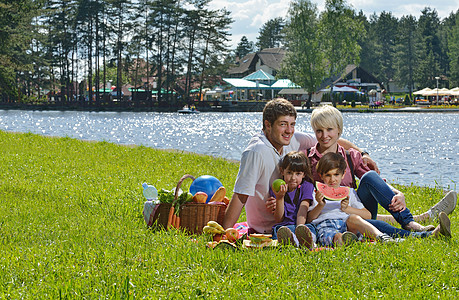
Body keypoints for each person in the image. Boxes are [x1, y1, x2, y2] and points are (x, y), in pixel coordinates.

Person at [222, 98, 379, 234]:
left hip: (298, 218)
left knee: (362, 223)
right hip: (268, 226)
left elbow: (330, 139)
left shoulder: (293, 139)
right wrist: (224, 232)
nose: (289, 131)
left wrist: (363, 153)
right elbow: (240, 195)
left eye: (292, 124)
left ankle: (391, 225)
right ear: (268, 125)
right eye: (283, 124)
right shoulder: (256, 151)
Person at [305, 105, 457, 232]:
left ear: (339, 130)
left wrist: (399, 193)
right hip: (324, 212)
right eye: (319, 130)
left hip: (356, 209)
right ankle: (423, 222)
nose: (324, 135)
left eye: (329, 129)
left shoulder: (351, 156)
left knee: (369, 176)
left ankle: (409, 222)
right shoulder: (307, 159)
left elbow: (375, 182)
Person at [308, 152, 451, 247]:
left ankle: (427, 235)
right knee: (338, 236)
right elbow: (309, 218)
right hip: (326, 226)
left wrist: (348, 209)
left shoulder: (350, 192)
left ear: (343, 174)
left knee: (362, 220)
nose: (332, 179)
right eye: (328, 175)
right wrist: (320, 205)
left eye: (336, 175)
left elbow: (368, 215)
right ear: (320, 175)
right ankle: (346, 241)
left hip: (350, 223)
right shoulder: (315, 193)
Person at [270, 151, 315, 249]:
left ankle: (307, 241)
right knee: (279, 230)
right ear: (282, 171)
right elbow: (278, 219)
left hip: (302, 224)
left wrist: (300, 228)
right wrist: (280, 198)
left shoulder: (307, 186)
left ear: (304, 174)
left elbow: (303, 210)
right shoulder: (277, 187)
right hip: (285, 227)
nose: (293, 178)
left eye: (298, 174)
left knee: (311, 229)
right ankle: (294, 241)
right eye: (289, 173)